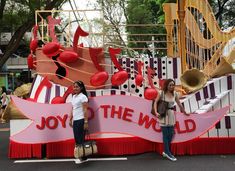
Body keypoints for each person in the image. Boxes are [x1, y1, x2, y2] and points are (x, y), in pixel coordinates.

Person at [153, 79, 189, 161]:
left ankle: (166, 151)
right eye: (170, 85)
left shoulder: (175, 94)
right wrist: (156, 112)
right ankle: (168, 153)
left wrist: (184, 112)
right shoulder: (161, 93)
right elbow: (155, 102)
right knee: (165, 135)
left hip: (171, 114)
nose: (172, 86)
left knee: (171, 134)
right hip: (163, 115)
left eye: (173, 85)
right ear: (166, 85)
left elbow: (179, 104)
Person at [69, 81, 89, 160]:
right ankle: (80, 155)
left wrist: (86, 122)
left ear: (81, 88)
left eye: (77, 87)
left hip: (81, 120)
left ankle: (83, 156)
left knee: (80, 139)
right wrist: (70, 119)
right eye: (74, 87)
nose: (75, 88)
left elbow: (85, 110)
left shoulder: (83, 97)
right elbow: (73, 108)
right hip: (75, 120)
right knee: (77, 139)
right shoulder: (74, 97)